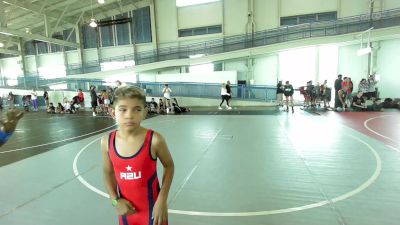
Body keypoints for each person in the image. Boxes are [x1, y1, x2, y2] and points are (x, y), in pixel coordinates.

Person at [101, 86, 174, 225]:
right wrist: (115, 200)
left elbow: (169, 166)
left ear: (145, 112)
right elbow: (107, 172)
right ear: (112, 112)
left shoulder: (154, 140)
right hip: (126, 212)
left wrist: (162, 201)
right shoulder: (106, 142)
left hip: (153, 212)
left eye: (137, 109)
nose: (129, 115)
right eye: (123, 109)